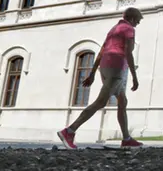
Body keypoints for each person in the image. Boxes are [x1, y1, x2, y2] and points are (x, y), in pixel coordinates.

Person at [57, 8, 143, 149]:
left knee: (122, 101)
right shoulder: (128, 29)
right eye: (137, 22)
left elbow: (102, 51)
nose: (137, 25)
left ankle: (126, 138)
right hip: (116, 67)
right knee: (100, 102)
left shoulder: (114, 30)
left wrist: (92, 73)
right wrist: (134, 76)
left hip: (105, 66)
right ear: (132, 19)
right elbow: (128, 53)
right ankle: (69, 131)